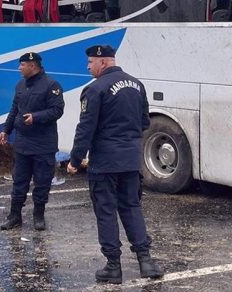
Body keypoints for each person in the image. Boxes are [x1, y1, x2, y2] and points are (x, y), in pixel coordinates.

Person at [67, 44, 164, 284]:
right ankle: (146, 261)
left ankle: (113, 266)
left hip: (105, 162)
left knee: (106, 212)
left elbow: (85, 129)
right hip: (131, 160)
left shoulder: (95, 89)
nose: (88, 66)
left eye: (90, 62)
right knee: (131, 207)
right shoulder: (136, 85)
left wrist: (75, 160)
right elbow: (144, 122)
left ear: (103, 62)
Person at [0, 52, 65, 231]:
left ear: (32, 65)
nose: (19, 68)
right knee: (19, 181)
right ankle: (14, 216)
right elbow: (14, 110)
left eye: (22, 65)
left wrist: (36, 117)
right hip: (23, 143)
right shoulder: (20, 85)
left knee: (42, 182)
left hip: (44, 144)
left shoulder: (51, 85)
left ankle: (39, 216)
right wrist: (6, 130)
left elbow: (57, 110)